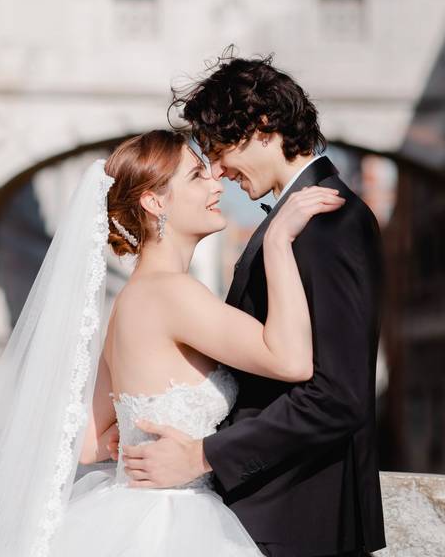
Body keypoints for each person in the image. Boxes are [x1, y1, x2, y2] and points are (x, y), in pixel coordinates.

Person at [0, 129, 344, 556]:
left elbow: (86, 443)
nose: (217, 183)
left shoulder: (131, 299)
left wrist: (133, 447)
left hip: (126, 514)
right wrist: (277, 241)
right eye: (197, 175)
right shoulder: (174, 293)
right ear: (155, 202)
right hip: (172, 524)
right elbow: (290, 360)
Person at [122, 53, 387, 556]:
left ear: (262, 128)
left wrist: (204, 456)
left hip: (300, 519)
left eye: (220, 149)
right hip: (269, 513)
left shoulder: (329, 221)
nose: (218, 171)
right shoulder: (295, 218)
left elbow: (339, 396)